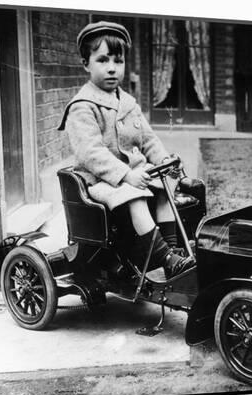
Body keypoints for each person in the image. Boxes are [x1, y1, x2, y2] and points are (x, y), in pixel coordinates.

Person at [58, 21, 195, 279]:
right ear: (85, 64)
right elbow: (90, 152)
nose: (112, 68)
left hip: (134, 174)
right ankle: (164, 256)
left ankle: (174, 253)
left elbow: (149, 139)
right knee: (135, 196)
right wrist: (125, 174)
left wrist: (164, 161)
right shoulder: (82, 106)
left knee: (165, 189)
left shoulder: (128, 103)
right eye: (102, 60)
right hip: (102, 180)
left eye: (118, 61)